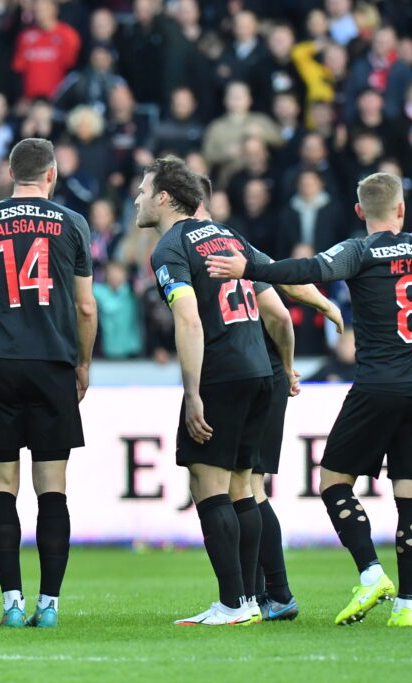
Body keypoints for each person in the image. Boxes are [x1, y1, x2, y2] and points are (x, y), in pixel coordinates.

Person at [205, 172, 412, 627]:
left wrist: (249, 268)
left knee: (332, 481)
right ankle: (406, 605)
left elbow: (305, 270)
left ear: (360, 211)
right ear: (401, 209)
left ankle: (370, 572)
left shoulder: (358, 252)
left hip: (376, 386)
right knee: (411, 495)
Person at [0, 138, 97, 628]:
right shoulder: (73, 224)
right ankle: (49, 605)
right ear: (51, 175)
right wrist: (83, 364)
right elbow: (85, 306)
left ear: (9, 174)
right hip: (53, 361)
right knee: (52, 488)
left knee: (2, 485)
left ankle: (12, 603)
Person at [195, 174, 344, 622]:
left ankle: (269, 594)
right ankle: (266, 595)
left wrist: (285, 364)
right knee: (251, 486)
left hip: (244, 372)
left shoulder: (189, 248)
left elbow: (279, 312)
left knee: (248, 487)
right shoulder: (235, 242)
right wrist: (293, 355)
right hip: (266, 373)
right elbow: (283, 302)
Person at [137, 155, 271, 626]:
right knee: (241, 486)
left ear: (165, 198)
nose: (137, 197)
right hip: (258, 367)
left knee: (206, 482)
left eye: (144, 189)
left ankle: (233, 603)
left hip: (221, 371)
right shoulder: (230, 236)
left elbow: (189, 318)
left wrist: (192, 392)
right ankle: (252, 600)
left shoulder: (170, 248)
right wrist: (285, 363)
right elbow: (274, 303)